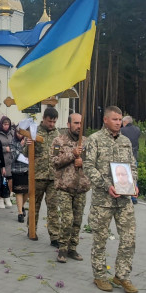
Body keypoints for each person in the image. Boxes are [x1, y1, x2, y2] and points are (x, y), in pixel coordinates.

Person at [83, 106, 139, 293]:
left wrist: (133, 184)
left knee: (129, 238)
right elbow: (88, 167)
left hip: (124, 200)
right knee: (100, 239)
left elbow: (132, 165)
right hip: (103, 200)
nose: (118, 122)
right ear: (105, 120)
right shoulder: (95, 140)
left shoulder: (125, 141)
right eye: (114, 119)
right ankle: (99, 275)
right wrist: (106, 185)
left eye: (120, 119)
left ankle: (122, 276)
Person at [51, 113, 91, 263]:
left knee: (77, 220)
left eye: (80, 123)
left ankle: (72, 248)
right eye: (76, 123)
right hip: (65, 187)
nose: (79, 126)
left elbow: (92, 162)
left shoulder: (86, 142)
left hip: (81, 186)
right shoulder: (59, 141)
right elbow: (54, 161)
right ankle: (62, 249)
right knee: (67, 219)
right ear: (68, 124)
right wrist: (72, 154)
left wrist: (83, 162)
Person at [24, 107, 60, 244]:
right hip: (37, 175)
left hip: (53, 177)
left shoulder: (57, 134)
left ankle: (55, 236)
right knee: (34, 204)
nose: (52, 124)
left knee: (53, 207)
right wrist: (27, 145)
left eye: (54, 122)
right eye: (50, 121)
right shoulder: (34, 132)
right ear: (44, 118)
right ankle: (31, 229)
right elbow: (25, 153)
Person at [0, 116, 14, 208]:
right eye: (4, 124)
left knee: (10, 179)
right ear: (1, 124)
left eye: (8, 124)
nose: (6, 126)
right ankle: (0, 199)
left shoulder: (11, 133)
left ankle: (7, 196)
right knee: (1, 180)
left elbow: (15, 143)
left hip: (10, 160)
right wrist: (5, 149)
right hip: (1, 159)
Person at [120, 115, 141, 203]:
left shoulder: (122, 131)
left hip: (124, 156)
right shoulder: (137, 130)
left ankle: (123, 194)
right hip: (134, 155)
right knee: (133, 175)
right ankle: (134, 197)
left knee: (122, 176)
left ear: (125, 122)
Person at [10, 129, 28, 223]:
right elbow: (14, 156)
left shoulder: (28, 140)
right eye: (18, 133)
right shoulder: (13, 142)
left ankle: (22, 205)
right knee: (19, 191)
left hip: (28, 169)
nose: (20, 135)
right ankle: (20, 213)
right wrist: (21, 146)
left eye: (21, 133)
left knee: (27, 191)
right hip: (17, 170)